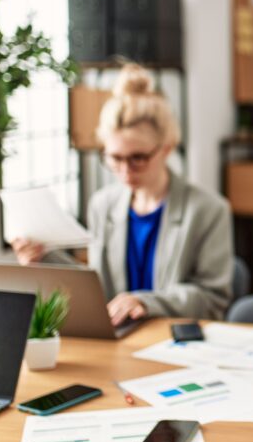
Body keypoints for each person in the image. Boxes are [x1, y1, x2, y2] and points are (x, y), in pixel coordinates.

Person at [12, 63, 234, 325]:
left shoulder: (208, 210)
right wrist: (44, 258)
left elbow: (212, 299)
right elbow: (99, 290)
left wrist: (145, 302)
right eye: (115, 158)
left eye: (138, 158)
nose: (125, 170)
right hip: (119, 342)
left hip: (174, 342)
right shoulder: (102, 205)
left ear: (167, 148)